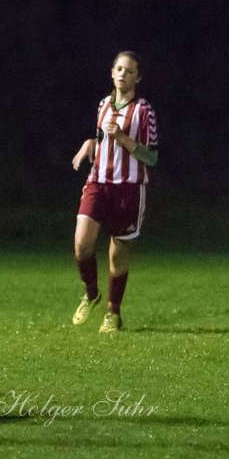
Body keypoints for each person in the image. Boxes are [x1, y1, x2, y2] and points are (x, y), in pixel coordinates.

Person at [70, 51, 158, 333]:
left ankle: (113, 311)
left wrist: (122, 137)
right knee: (82, 243)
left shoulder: (144, 111)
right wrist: (88, 144)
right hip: (98, 182)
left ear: (137, 78)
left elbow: (152, 157)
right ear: (111, 72)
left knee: (117, 254)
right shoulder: (103, 105)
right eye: (119, 69)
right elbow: (99, 138)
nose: (123, 74)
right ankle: (92, 293)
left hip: (129, 188)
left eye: (129, 71)